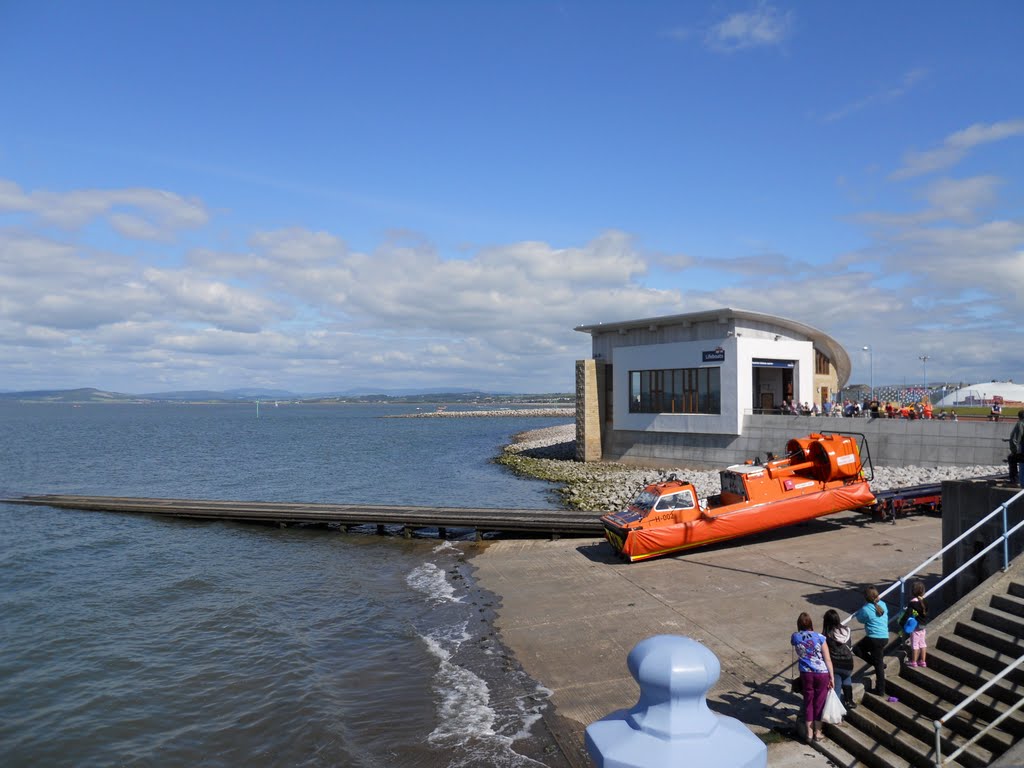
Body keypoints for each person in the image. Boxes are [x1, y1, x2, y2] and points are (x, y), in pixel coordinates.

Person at [792, 612, 834, 742]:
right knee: (819, 702)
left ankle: (809, 734)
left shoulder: (795, 637)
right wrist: (831, 677)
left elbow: (796, 645)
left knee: (808, 702)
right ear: (811, 623)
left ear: (799, 624)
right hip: (822, 673)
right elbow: (827, 659)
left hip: (806, 674)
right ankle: (818, 732)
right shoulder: (820, 637)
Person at [853, 586, 891, 699]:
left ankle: (880, 689)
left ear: (866, 598)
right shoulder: (883, 604)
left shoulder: (866, 609)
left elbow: (860, 619)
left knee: (857, 649)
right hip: (884, 637)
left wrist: (863, 607)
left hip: (874, 639)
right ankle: (877, 663)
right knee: (877, 660)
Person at [823, 609, 856, 711]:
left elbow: (825, 652)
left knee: (836, 687)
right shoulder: (847, 630)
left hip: (836, 665)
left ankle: (837, 711)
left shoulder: (827, 635)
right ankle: (849, 700)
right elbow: (849, 645)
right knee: (847, 678)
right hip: (849, 662)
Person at [901, 581, 928, 668]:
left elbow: (907, 614)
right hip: (923, 626)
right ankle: (923, 661)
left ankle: (914, 661)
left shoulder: (912, 603)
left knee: (915, 644)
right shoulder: (925, 602)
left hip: (915, 627)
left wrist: (902, 622)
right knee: (923, 643)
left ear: (912, 592)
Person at [1009, 410, 1024, 487]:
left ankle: (1014, 481)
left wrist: (1014, 451)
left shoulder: (1020, 424)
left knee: (1011, 458)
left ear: (1019, 417)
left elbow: (1013, 439)